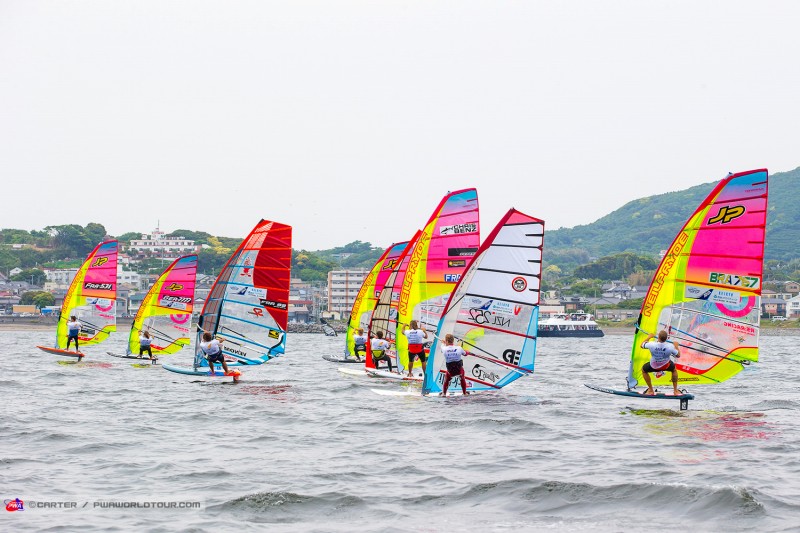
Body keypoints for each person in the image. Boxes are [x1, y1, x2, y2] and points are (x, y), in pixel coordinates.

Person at [641, 330, 681, 395]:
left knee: (644, 370)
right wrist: (676, 346)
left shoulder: (652, 344)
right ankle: (675, 390)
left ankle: (651, 390)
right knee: (674, 370)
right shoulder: (670, 346)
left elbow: (642, 345)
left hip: (653, 366)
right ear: (666, 338)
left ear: (658, 337)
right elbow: (678, 355)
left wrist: (649, 337)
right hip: (666, 366)